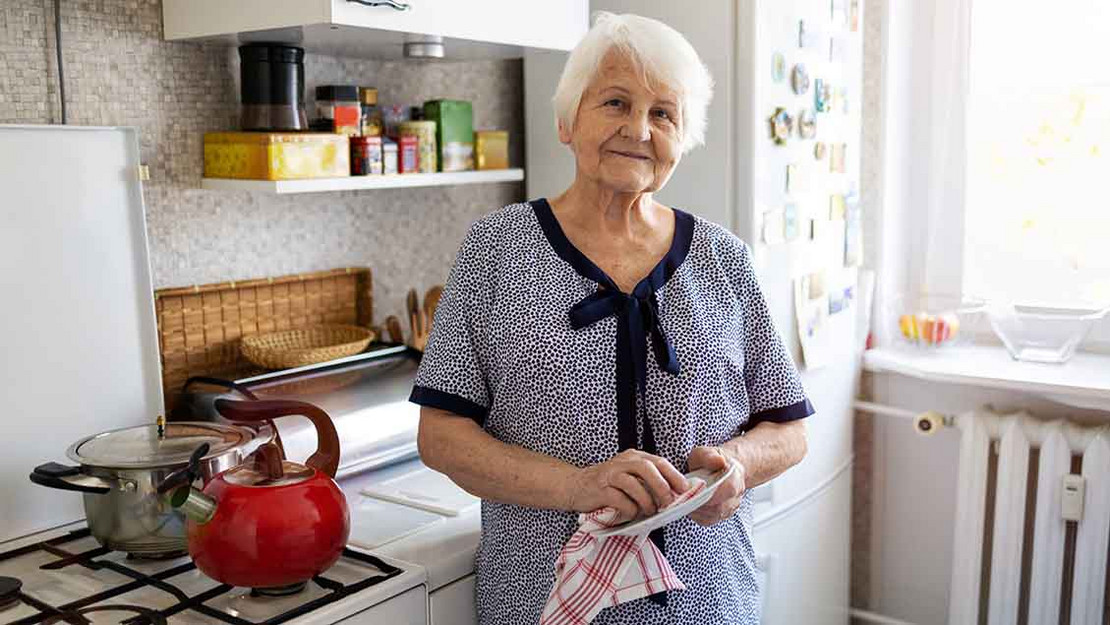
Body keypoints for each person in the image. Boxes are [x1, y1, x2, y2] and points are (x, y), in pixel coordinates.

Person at [410, 12, 813, 625]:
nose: (639, 129)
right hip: (539, 601)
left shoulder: (723, 257)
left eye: (663, 113)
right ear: (567, 121)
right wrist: (578, 487)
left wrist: (738, 465)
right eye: (616, 102)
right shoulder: (496, 249)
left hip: (707, 602)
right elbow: (441, 435)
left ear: (683, 137)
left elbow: (788, 431)